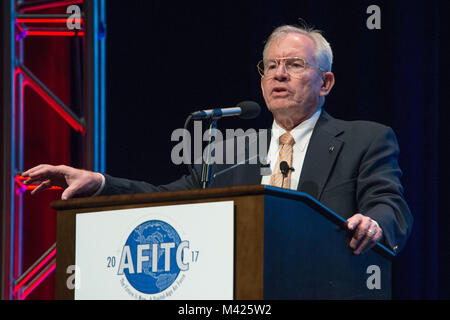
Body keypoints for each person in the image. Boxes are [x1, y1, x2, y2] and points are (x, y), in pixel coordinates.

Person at [22, 25, 413, 256]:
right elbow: (166, 197)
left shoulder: (366, 139)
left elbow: (389, 205)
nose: (279, 75)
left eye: (294, 65)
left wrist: (373, 223)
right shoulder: (231, 153)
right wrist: (101, 183)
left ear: (325, 82)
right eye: (271, 66)